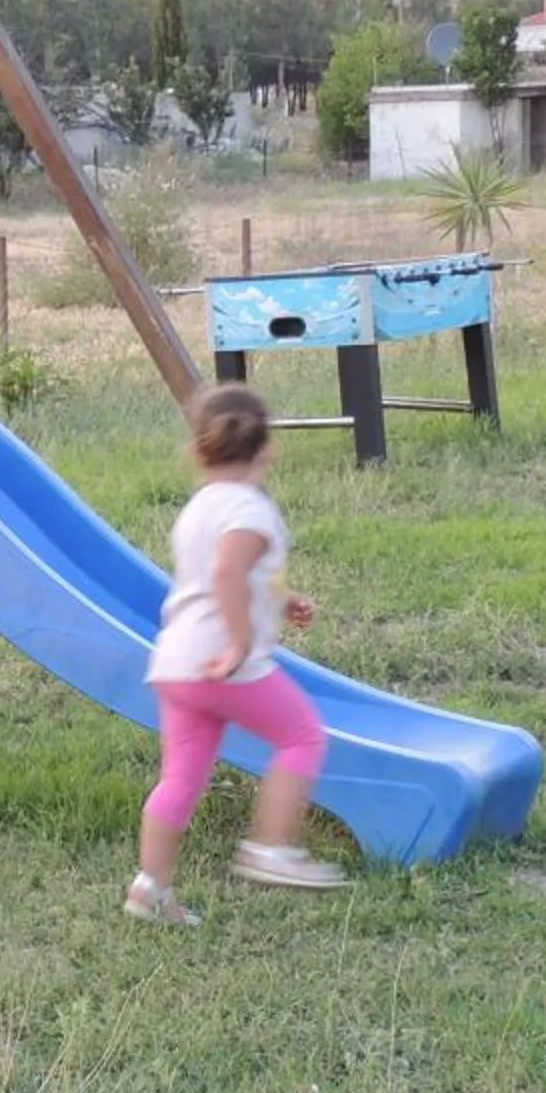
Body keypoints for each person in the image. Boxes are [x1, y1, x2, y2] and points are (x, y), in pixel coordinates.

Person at [127, 383, 351, 927]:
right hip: (223, 662)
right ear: (267, 447)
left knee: (180, 778)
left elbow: (225, 574)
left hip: (175, 663)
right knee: (302, 737)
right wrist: (241, 641)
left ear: (201, 449)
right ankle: (271, 847)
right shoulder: (252, 509)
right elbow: (228, 572)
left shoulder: (200, 506)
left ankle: (151, 888)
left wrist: (281, 599)